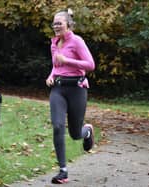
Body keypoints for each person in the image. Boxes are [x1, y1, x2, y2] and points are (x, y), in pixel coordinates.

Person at [45, 8, 95, 184]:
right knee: (58, 126)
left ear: (68, 24)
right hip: (58, 89)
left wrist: (68, 61)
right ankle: (63, 171)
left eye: (59, 23)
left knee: (75, 133)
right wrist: (51, 76)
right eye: (54, 23)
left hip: (77, 89)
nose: (56, 26)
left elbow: (90, 65)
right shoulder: (54, 43)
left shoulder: (77, 41)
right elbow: (56, 66)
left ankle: (87, 131)